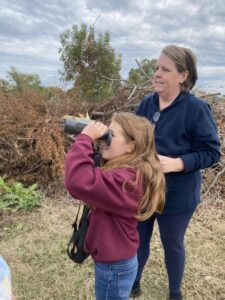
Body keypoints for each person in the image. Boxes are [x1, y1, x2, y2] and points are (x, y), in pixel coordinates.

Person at [130, 45, 221, 300]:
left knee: (172, 244)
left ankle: (174, 292)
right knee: (137, 239)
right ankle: (133, 282)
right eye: (156, 68)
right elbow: (134, 140)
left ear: (183, 75)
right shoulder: (147, 104)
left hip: (178, 195)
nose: (157, 73)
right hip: (144, 189)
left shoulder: (196, 109)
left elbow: (212, 152)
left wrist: (177, 163)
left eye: (165, 69)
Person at [65, 112, 165, 300]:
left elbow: (78, 181)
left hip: (114, 266)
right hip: (115, 261)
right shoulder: (127, 172)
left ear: (130, 146)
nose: (105, 138)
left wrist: (85, 138)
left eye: (112, 134)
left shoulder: (127, 181)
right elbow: (91, 176)